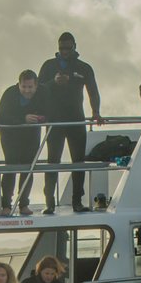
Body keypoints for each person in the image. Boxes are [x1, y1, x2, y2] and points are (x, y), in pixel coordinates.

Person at [38, 32, 102, 213]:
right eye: (61, 48)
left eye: (68, 48)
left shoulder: (84, 68)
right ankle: (49, 202)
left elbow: (93, 91)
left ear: (74, 46)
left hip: (76, 119)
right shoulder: (49, 66)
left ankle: (77, 201)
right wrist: (53, 82)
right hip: (54, 120)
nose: (64, 51)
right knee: (53, 162)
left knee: (78, 162)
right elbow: (38, 88)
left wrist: (96, 112)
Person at [0, 69, 49, 215]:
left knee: (28, 169)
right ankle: (6, 205)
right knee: (10, 168)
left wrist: (41, 118)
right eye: (23, 87)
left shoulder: (43, 93)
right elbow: (0, 117)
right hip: (10, 136)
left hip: (31, 136)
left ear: (36, 86)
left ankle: (23, 204)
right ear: (19, 84)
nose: (27, 90)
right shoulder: (10, 93)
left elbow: (50, 112)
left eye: (30, 87)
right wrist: (23, 119)